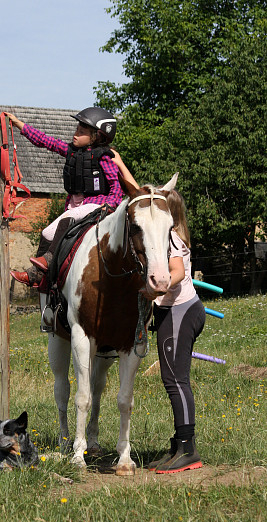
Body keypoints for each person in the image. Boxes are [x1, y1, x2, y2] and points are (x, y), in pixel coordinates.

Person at [111, 151, 205, 473]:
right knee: (172, 379)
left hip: (180, 311)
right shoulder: (167, 233)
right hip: (175, 313)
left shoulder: (172, 240)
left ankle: (188, 449)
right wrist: (120, 163)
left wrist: (155, 288)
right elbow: (138, 193)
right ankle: (179, 444)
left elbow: (177, 272)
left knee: (176, 381)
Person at [4, 107, 123, 287]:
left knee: (66, 219)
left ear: (96, 136)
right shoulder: (70, 150)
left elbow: (116, 185)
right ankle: (38, 276)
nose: (75, 134)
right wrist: (19, 124)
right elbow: (45, 141)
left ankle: (48, 260)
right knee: (46, 233)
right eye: (76, 129)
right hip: (74, 207)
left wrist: (110, 205)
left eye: (81, 132)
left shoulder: (104, 157)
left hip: (96, 205)